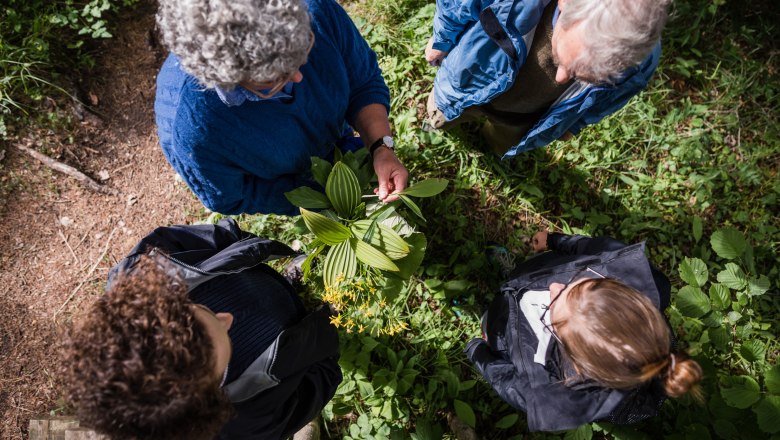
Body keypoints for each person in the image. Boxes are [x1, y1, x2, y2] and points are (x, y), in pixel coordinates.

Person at [62, 219, 341, 439]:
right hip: (306, 329)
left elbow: (198, 238)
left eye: (201, 311)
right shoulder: (246, 424)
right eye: (221, 353)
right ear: (208, 398)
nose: (227, 320)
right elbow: (321, 383)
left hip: (255, 284)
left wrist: (239, 240)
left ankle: (291, 282)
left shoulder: (149, 271)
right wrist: (327, 329)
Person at [154, 0, 408, 216]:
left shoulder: (311, 10)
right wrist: (318, 198)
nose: (298, 77)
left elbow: (362, 80)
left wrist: (380, 147)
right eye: (272, 80)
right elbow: (233, 195)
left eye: (303, 50)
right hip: (287, 177)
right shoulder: (196, 130)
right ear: (231, 80)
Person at [467, 230, 702, 431]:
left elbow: (509, 383)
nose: (556, 285)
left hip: (509, 335)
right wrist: (553, 240)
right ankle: (510, 276)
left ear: (575, 356)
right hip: (530, 277)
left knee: (492, 321)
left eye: (556, 302)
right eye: (576, 281)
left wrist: (479, 351)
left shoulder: (552, 390)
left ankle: (481, 314)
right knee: (515, 285)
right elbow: (593, 247)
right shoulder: (624, 274)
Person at [424, 0, 669, 156]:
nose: (561, 78)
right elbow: (457, 4)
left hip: (525, 116)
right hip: (468, 83)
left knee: (504, 138)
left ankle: (494, 147)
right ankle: (439, 123)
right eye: (563, 61)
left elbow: (609, 100)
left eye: (582, 77)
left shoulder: (640, 63)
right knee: (446, 113)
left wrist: (574, 125)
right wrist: (443, 38)